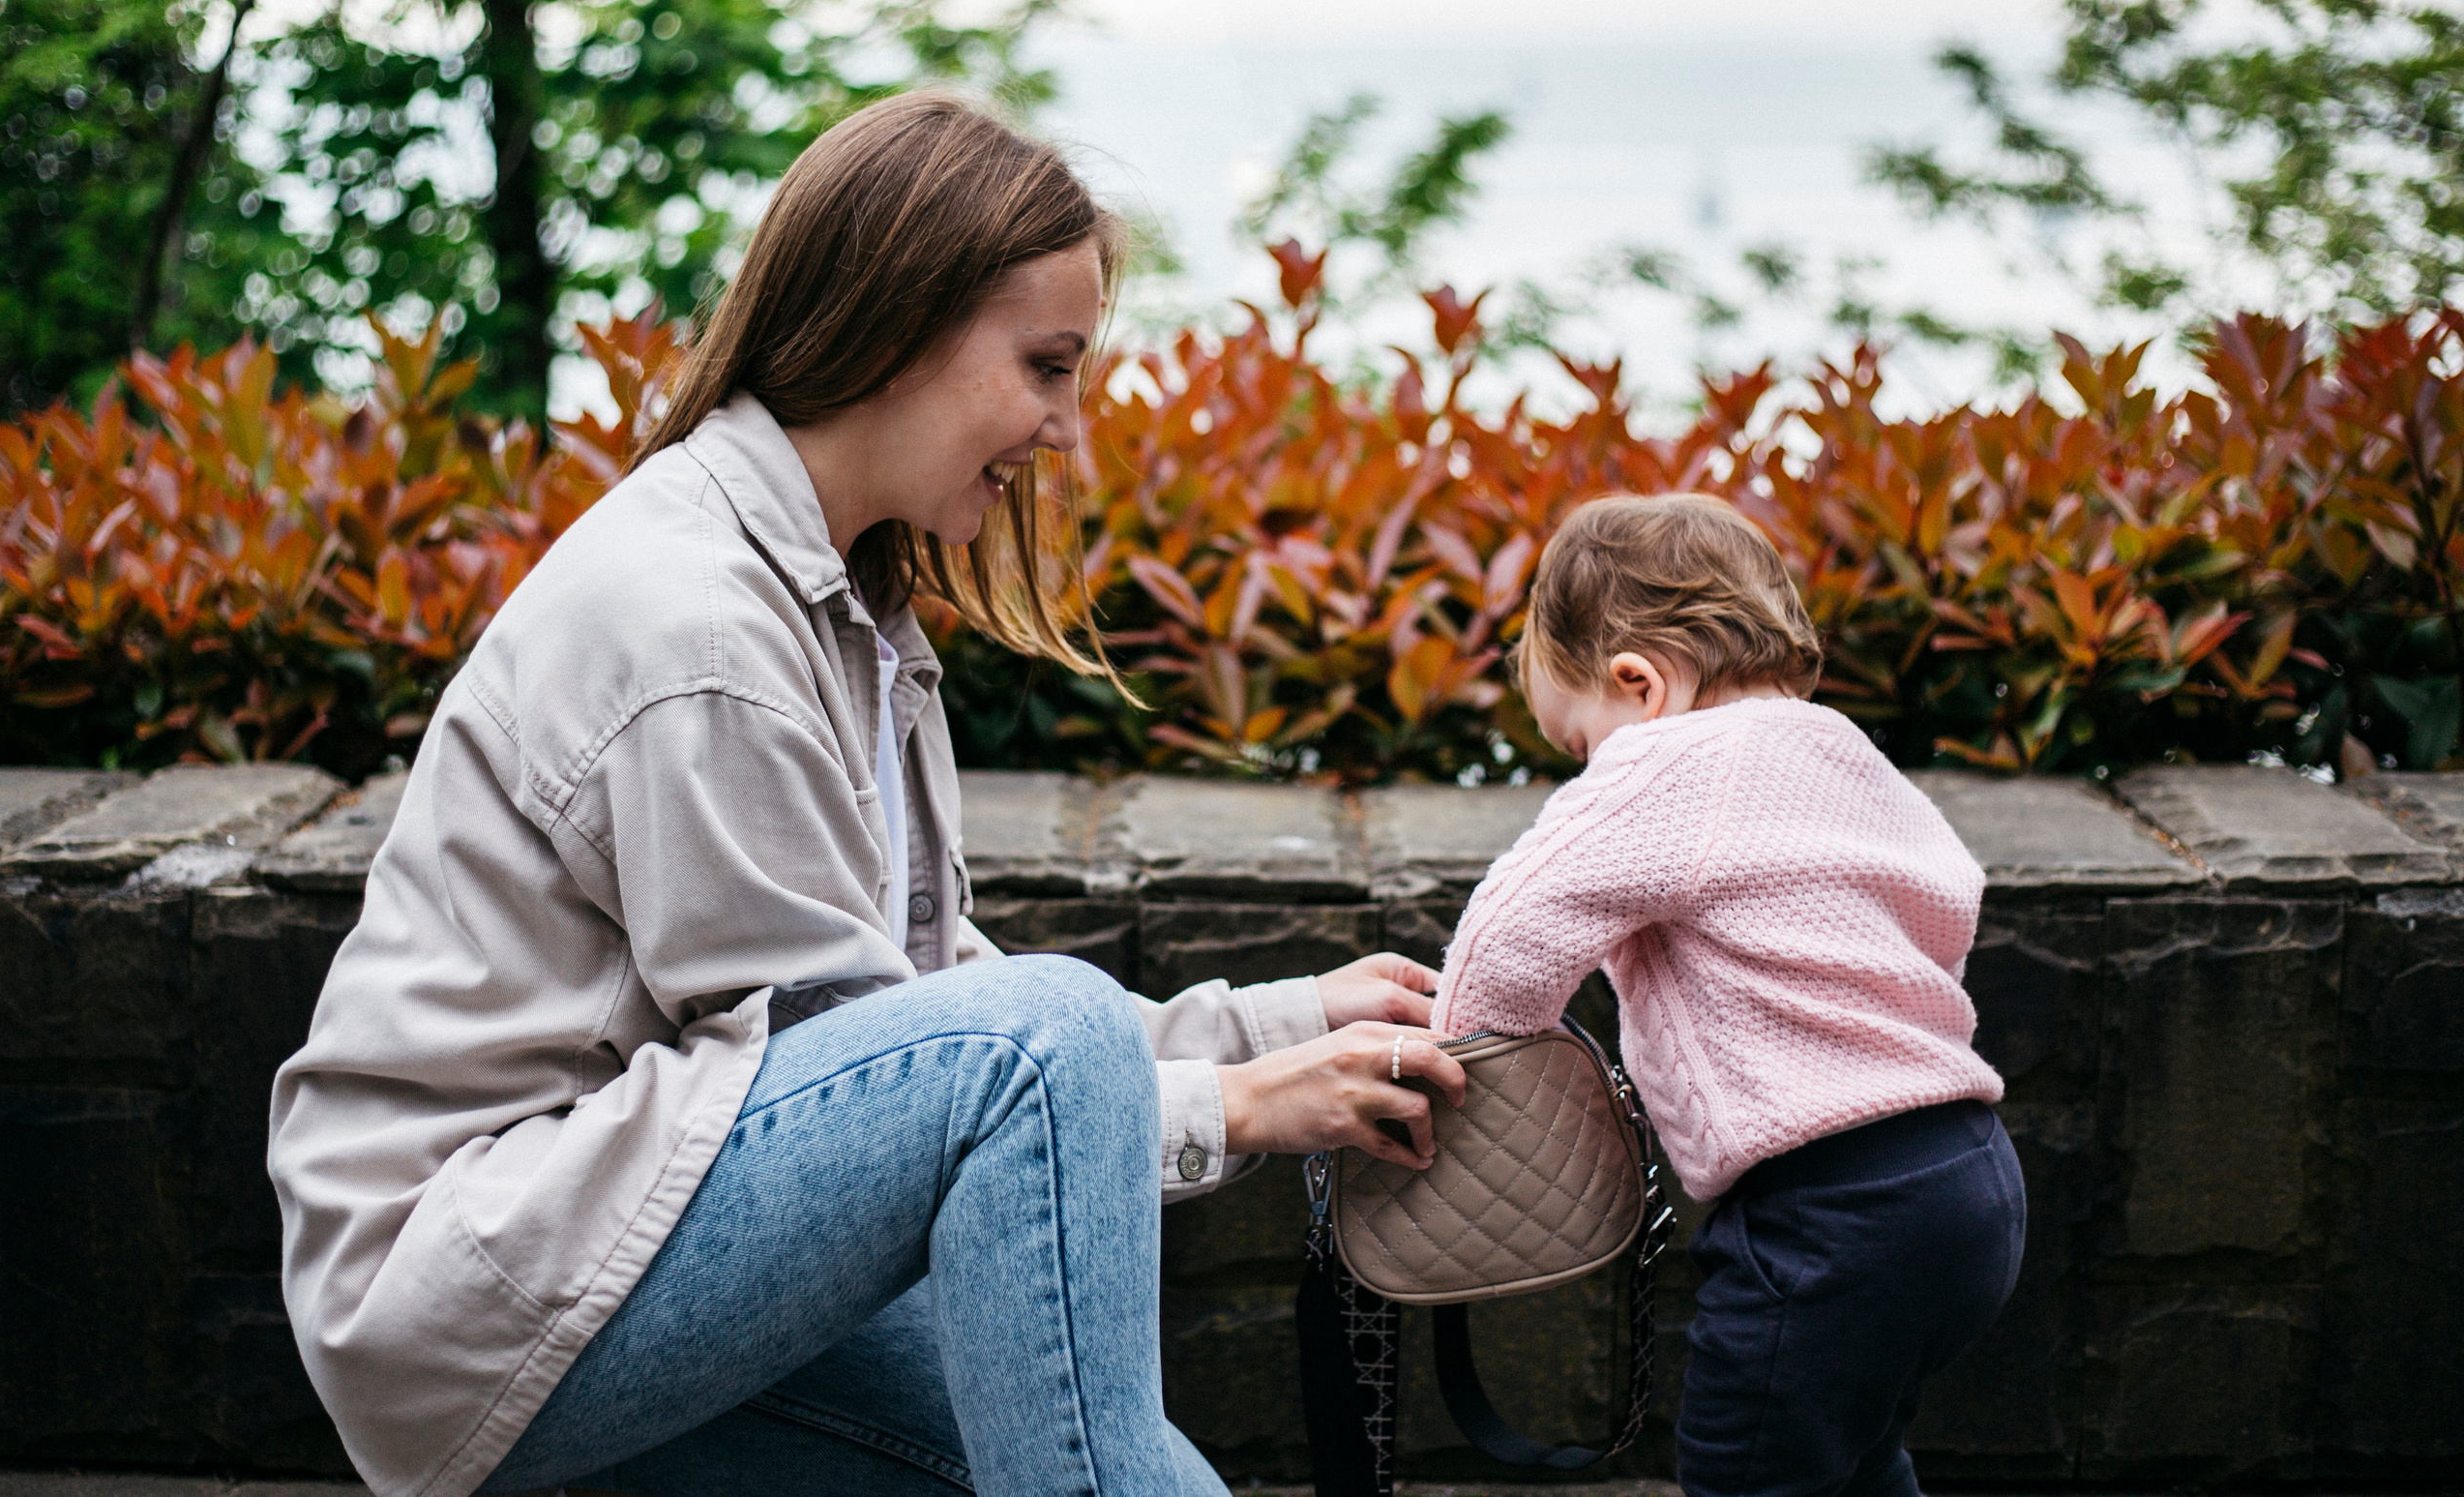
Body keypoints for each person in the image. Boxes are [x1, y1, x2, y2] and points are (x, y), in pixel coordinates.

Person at [267, 90, 1469, 1497]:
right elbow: (924, 1063)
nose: (1066, 429)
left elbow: (918, 1010)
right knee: (1045, 1045)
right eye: (1047, 366)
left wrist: (1273, 1027)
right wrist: (1241, 1104)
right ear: (900, 330)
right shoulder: (700, 623)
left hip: (629, 1225)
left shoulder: (832, 604)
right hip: (484, 1276)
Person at [1429, 493, 2026, 1497]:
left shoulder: (1669, 759)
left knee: (1743, 1470)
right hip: (1967, 1183)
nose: (1589, 775)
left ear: (1639, 684)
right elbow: (1946, 901)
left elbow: (1511, 928)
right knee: (1855, 1456)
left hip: (1830, 1208)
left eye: (1579, 745)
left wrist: (1457, 1061)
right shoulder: (1840, 750)